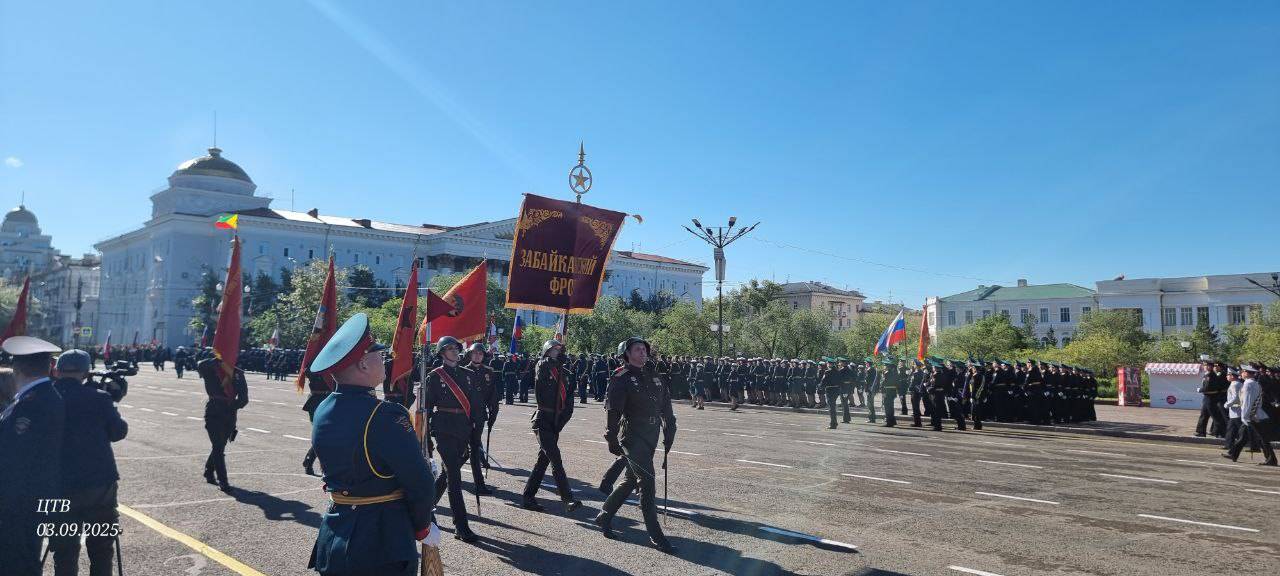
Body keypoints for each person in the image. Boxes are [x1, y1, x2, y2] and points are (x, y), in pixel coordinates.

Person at [305, 313, 438, 575]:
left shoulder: (323, 408)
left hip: (336, 533)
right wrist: (423, 527)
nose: (385, 359)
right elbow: (420, 483)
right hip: (380, 544)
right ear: (364, 365)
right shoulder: (385, 414)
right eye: (379, 354)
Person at [595, 338, 678, 553]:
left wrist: (671, 427)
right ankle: (656, 535)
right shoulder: (622, 377)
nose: (642, 353)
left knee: (630, 480)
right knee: (647, 481)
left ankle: (605, 516)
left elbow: (665, 404)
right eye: (637, 350)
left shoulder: (654, 374)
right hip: (633, 435)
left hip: (651, 434)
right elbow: (613, 409)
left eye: (644, 349)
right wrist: (611, 436)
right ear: (627, 354)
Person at [49, 350, 128, 576]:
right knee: (102, 547)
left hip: (58, 484)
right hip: (98, 484)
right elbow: (118, 432)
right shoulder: (99, 398)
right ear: (85, 372)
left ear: (57, 370)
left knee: (64, 550)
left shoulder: (46, 397)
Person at [0, 336, 65, 576]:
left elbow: (14, 458)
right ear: (49, 366)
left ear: (16, 367)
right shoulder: (37, 397)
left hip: (20, 501)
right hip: (25, 499)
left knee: (18, 563)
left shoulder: (34, 403)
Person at [421, 336, 484, 542]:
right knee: (455, 478)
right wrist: (426, 438)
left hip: (463, 428)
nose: (455, 351)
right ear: (441, 352)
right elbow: (428, 407)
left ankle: (426, 505)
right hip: (444, 429)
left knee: (449, 473)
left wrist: (476, 434)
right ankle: (461, 526)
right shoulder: (435, 376)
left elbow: (475, 405)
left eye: (456, 348)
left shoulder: (468, 375)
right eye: (449, 349)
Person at [520, 339, 583, 512]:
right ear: (547, 351)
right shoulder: (543, 365)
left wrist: (562, 421)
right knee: (555, 458)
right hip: (542, 419)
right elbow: (543, 367)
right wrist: (554, 360)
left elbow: (569, 401)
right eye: (554, 349)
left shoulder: (565, 373)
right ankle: (567, 498)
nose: (557, 351)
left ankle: (528, 497)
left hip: (556, 421)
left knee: (542, 461)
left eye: (559, 349)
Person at [197, 354, 248, 493]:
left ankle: (208, 471)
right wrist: (216, 361)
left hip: (227, 413)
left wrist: (232, 406)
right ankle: (223, 481)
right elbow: (200, 364)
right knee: (218, 447)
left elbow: (244, 399)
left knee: (219, 446)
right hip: (215, 412)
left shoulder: (237, 373)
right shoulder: (211, 369)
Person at [1224, 364, 1277, 466]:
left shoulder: (1248, 384)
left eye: (1243, 372)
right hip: (1254, 415)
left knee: (1263, 439)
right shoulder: (1254, 383)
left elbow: (1248, 402)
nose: (1241, 373)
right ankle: (1233, 454)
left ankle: (1271, 459)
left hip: (1253, 416)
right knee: (1243, 436)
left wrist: (1245, 416)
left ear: (1247, 373)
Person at [465, 342, 499, 489]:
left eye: (480, 353)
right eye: (475, 353)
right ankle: (449, 476)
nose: (477, 355)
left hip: (479, 414)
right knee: (464, 449)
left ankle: (479, 483)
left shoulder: (489, 372)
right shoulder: (463, 371)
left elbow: (493, 394)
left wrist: (493, 412)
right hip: (464, 415)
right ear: (470, 355)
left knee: (474, 446)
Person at [301, 370, 333, 476]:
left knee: (325, 436)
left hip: (328, 400)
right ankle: (312, 463)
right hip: (316, 401)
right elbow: (308, 372)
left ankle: (309, 461)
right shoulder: (314, 366)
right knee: (322, 435)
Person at [1196, 361, 1229, 438]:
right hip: (1207, 397)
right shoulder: (1207, 374)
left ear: (1209, 367)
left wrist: (1200, 390)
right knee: (1203, 415)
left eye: (1206, 365)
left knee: (1216, 416)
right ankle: (1201, 432)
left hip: (1211, 398)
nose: (1204, 367)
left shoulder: (1210, 375)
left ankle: (1222, 432)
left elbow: (1208, 387)